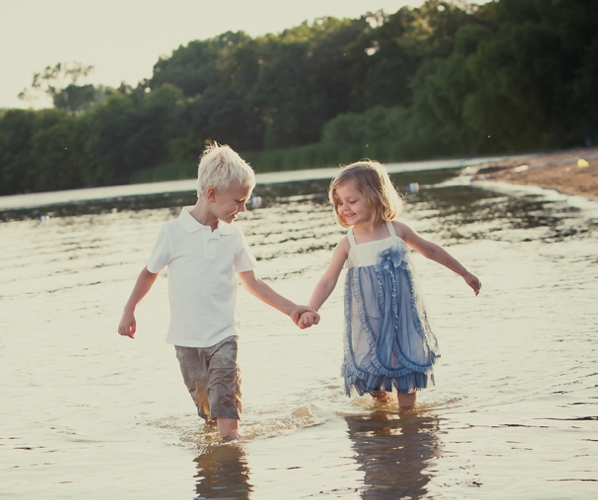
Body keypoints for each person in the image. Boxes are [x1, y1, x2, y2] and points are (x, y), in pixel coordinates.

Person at [118, 143, 318, 440]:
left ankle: (232, 446)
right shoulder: (172, 233)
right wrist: (129, 308)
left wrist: (292, 309)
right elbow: (149, 273)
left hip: (224, 334)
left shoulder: (233, 235)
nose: (243, 209)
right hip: (187, 340)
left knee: (225, 399)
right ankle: (219, 458)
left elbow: (253, 282)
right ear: (211, 194)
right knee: (207, 409)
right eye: (238, 201)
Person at [299, 160, 481, 409]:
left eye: (352, 201)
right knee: (373, 371)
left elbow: (431, 250)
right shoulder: (348, 243)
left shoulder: (397, 231)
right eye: (340, 202)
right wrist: (312, 307)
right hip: (369, 322)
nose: (344, 208)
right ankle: (382, 412)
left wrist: (464, 272)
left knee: (405, 366)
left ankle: (409, 421)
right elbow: (328, 279)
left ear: (375, 196)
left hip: (402, 318)